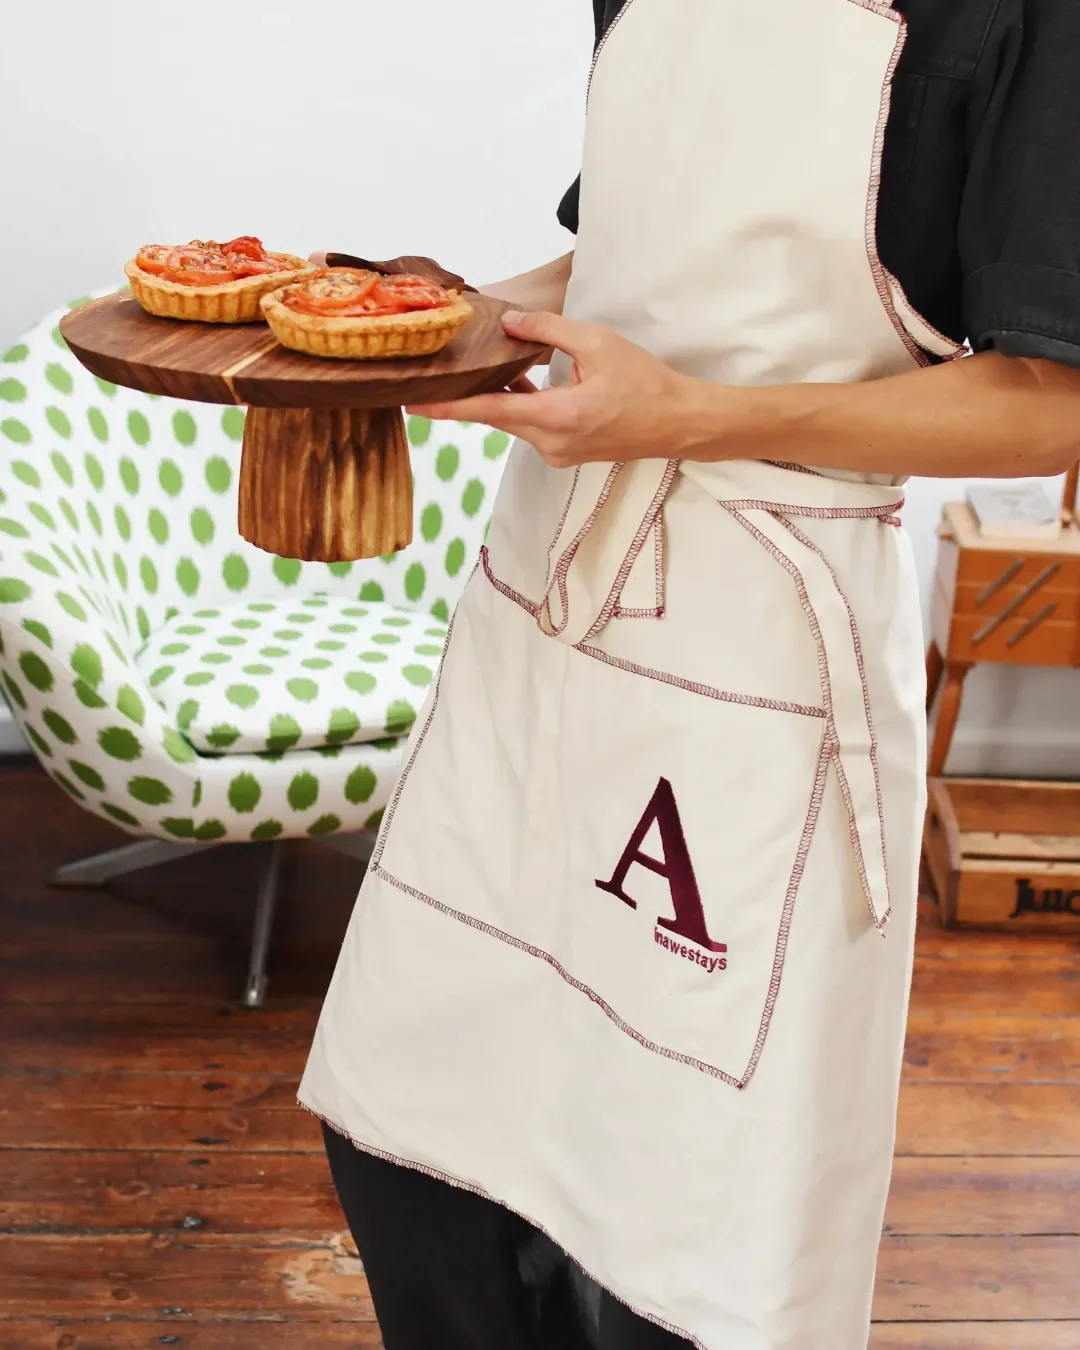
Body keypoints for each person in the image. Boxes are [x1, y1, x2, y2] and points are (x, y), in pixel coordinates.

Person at [300, 1, 1080, 1346]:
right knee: (408, 1131)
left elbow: (1050, 399)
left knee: (680, 1225)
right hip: (551, 595)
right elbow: (623, 263)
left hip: (761, 638)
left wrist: (695, 415)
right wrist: (418, 327)